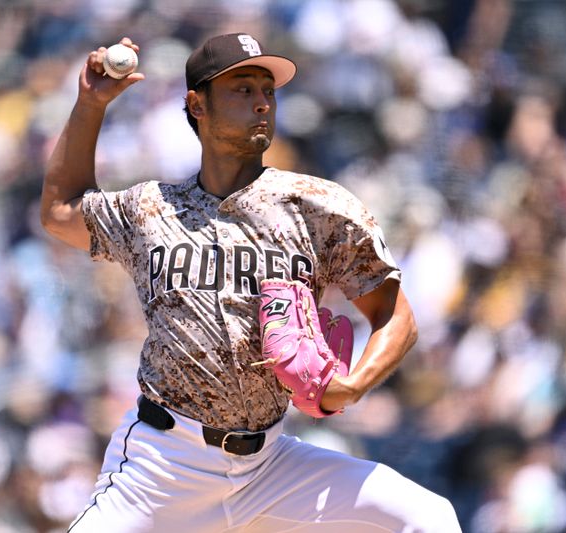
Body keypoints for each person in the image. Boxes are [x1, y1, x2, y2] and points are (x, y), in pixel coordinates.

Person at [41, 33, 461, 533]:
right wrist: (91, 103)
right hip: (161, 467)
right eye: (243, 89)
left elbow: (395, 316)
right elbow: (60, 210)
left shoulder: (317, 207)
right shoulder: (149, 208)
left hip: (271, 466)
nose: (262, 101)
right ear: (197, 103)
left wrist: (350, 387)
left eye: (268, 90)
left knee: (429, 517)